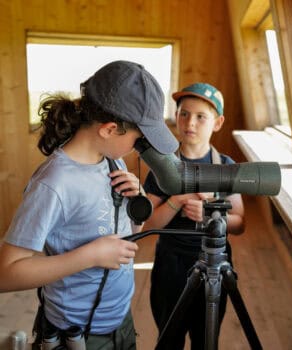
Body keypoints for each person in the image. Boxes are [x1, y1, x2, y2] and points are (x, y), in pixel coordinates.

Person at [0, 60, 178, 350]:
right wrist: (90, 256)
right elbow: (6, 273)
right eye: (138, 138)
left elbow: (120, 232)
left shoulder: (111, 161)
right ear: (109, 129)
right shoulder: (53, 184)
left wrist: (136, 204)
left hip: (120, 320)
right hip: (76, 333)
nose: (139, 146)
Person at [143, 82, 245, 349]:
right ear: (175, 117)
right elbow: (147, 224)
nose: (190, 122)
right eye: (184, 114)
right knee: (169, 337)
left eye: (201, 116)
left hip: (215, 263)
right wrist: (176, 201)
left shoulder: (226, 167)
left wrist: (212, 213)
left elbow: (239, 223)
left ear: (218, 122)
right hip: (171, 263)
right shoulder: (162, 167)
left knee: (206, 337)